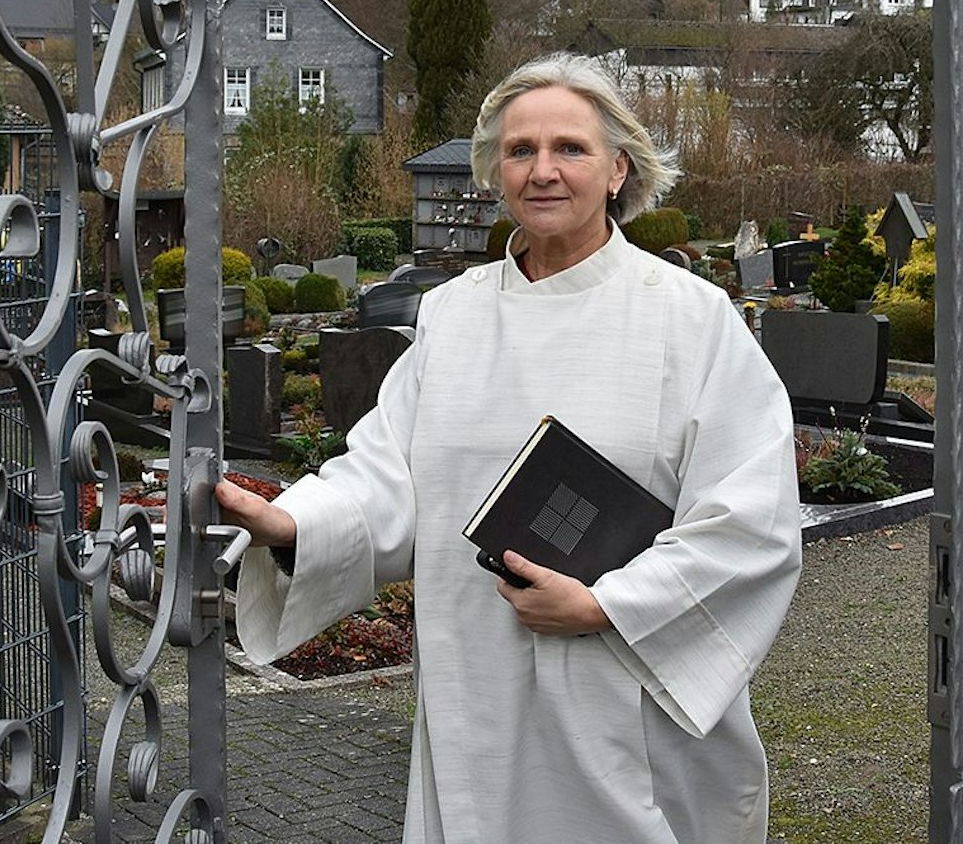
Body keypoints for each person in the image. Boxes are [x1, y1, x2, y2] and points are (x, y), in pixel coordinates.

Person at [216, 52, 802, 844]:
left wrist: (606, 605)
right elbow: (391, 473)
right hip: (474, 677)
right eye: (520, 151)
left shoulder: (691, 320)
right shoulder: (452, 315)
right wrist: (294, 523)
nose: (543, 170)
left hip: (623, 690)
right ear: (493, 172)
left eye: (570, 148)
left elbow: (750, 516)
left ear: (619, 169)